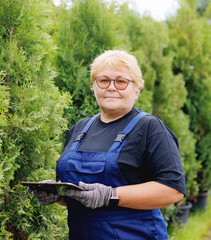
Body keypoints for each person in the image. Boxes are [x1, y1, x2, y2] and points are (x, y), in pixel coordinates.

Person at [32, 50, 185, 240]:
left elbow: (172, 190)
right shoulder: (80, 129)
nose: (111, 87)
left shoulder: (150, 128)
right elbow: (78, 195)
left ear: (136, 90)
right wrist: (57, 195)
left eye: (121, 82)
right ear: (94, 87)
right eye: (103, 81)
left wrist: (111, 195)